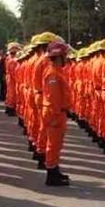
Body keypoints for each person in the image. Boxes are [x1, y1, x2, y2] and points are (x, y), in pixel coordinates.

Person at [41, 41, 72, 186]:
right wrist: (54, 115)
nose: (66, 58)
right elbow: (53, 97)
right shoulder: (53, 73)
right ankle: (51, 174)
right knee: (53, 144)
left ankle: (55, 169)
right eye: (64, 55)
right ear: (59, 56)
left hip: (58, 112)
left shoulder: (57, 71)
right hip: (55, 113)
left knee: (57, 144)